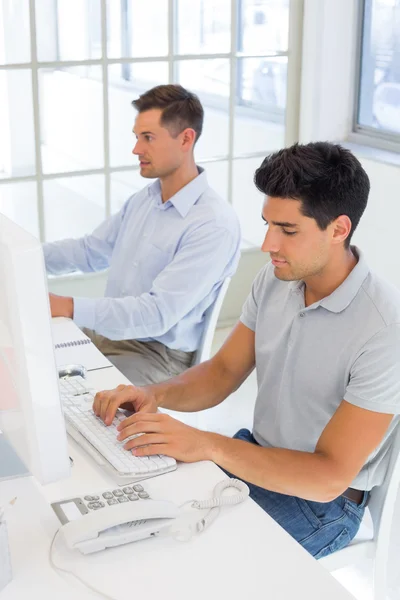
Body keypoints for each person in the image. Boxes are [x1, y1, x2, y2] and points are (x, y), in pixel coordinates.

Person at [92, 141, 400, 559]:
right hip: (254, 455)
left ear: (339, 229)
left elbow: (328, 477)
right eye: (268, 224)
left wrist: (209, 444)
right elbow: (221, 373)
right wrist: (154, 395)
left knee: (182, 563)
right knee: (135, 514)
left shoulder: (383, 329)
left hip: (320, 505)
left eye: (287, 230)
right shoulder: (276, 280)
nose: (269, 243)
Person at [44, 84, 241, 385]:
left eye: (148, 138)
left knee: (71, 402)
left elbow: (158, 313)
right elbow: (89, 251)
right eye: (137, 138)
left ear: (186, 138)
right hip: (111, 335)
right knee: (28, 361)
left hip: (156, 356)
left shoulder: (213, 224)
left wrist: (69, 306)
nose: (136, 149)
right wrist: (24, 258)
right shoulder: (144, 200)